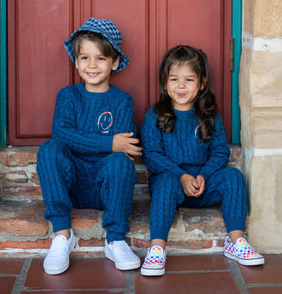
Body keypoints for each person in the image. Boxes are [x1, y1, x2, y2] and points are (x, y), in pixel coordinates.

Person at [140, 45, 264, 277]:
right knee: (165, 182)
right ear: (164, 83)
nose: (181, 86)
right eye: (174, 79)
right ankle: (157, 247)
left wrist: (203, 175)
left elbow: (219, 152)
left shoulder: (209, 114)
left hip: (203, 183)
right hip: (172, 184)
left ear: (202, 83)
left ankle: (235, 241)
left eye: (189, 79)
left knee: (233, 176)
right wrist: (182, 176)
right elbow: (152, 155)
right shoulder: (154, 115)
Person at [37, 17, 142, 275]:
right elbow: (61, 135)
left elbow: (125, 147)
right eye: (85, 58)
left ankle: (115, 238)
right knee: (49, 149)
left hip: (106, 189)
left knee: (121, 161)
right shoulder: (68, 96)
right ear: (75, 61)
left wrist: (107, 146)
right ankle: (62, 235)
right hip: (70, 186)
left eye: (101, 58)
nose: (92, 65)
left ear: (115, 62)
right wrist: (109, 142)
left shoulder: (122, 100)